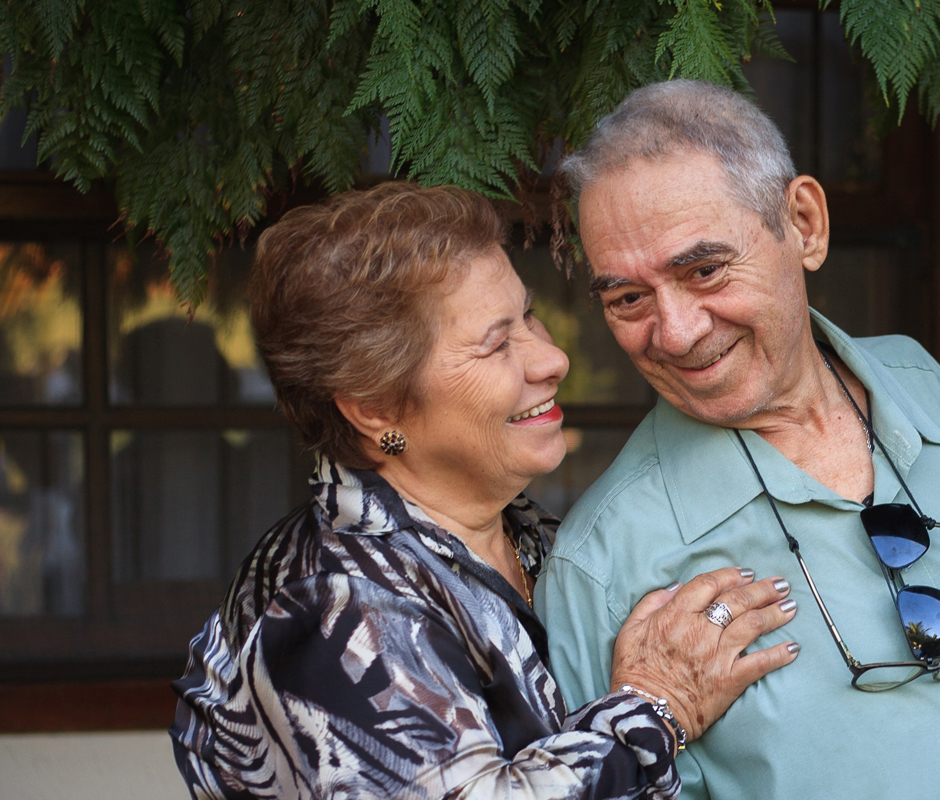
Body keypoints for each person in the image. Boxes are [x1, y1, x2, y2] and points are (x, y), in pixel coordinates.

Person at [536, 80, 940, 800]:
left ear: (802, 224)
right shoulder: (605, 565)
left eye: (704, 270)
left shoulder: (915, 380)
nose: (676, 333)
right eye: (627, 299)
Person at [169, 183, 802, 800]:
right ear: (376, 406)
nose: (552, 360)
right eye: (497, 343)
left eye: (527, 315)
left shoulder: (523, 534)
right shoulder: (336, 602)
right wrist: (657, 705)